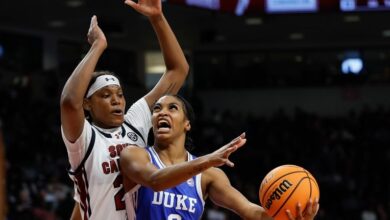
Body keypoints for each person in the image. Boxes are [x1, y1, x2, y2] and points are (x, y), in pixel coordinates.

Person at [60, 0, 189, 218]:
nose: (116, 101)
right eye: (106, 95)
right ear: (87, 104)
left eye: (119, 95)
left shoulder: (134, 121)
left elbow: (178, 70)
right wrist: (98, 46)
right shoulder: (84, 138)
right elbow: (69, 102)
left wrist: (157, 18)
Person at [120, 94, 320, 220]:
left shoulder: (209, 175)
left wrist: (290, 216)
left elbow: (250, 212)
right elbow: (155, 181)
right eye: (157, 109)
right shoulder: (135, 154)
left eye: (172, 108)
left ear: (187, 124)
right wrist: (208, 159)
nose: (162, 113)